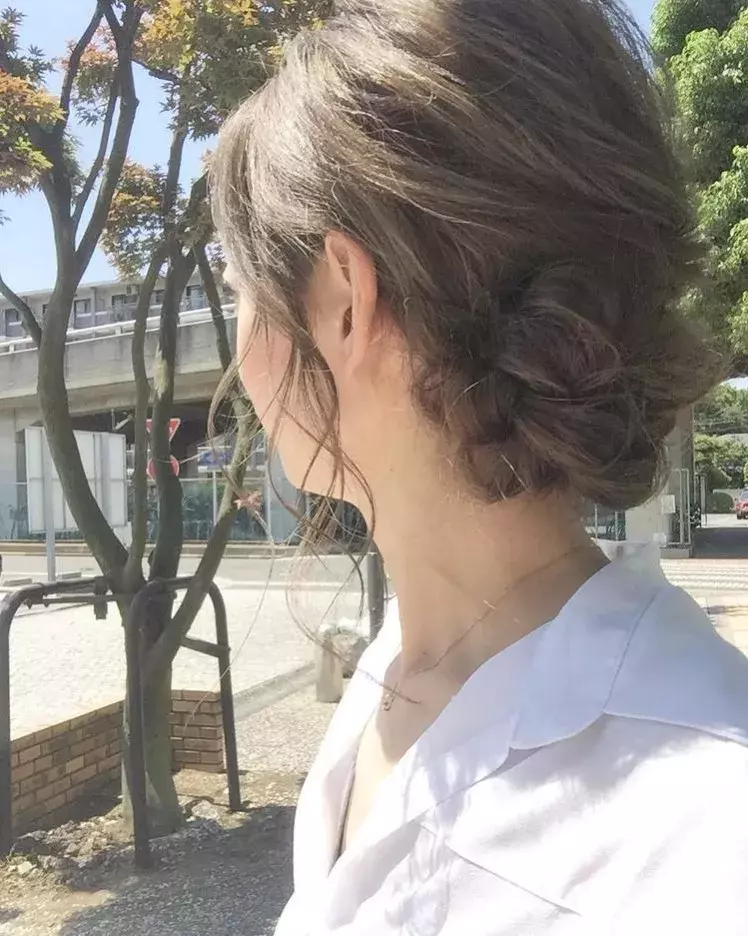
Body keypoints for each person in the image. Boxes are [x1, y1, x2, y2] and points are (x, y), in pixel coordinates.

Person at [212, 0, 748, 932]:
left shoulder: (707, 836)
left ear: (344, 302)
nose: (239, 348)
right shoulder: (401, 662)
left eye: (240, 291)